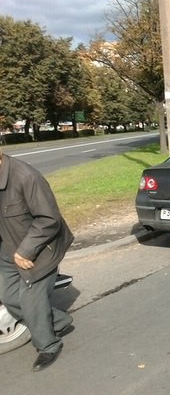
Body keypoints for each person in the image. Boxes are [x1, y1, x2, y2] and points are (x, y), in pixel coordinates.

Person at [0, 148, 74, 371]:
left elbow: (49, 219)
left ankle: (48, 345)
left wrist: (26, 250)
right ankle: (59, 321)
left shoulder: (26, 176)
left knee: (31, 299)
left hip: (40, 249)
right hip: (9, 248)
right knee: (8, 295)